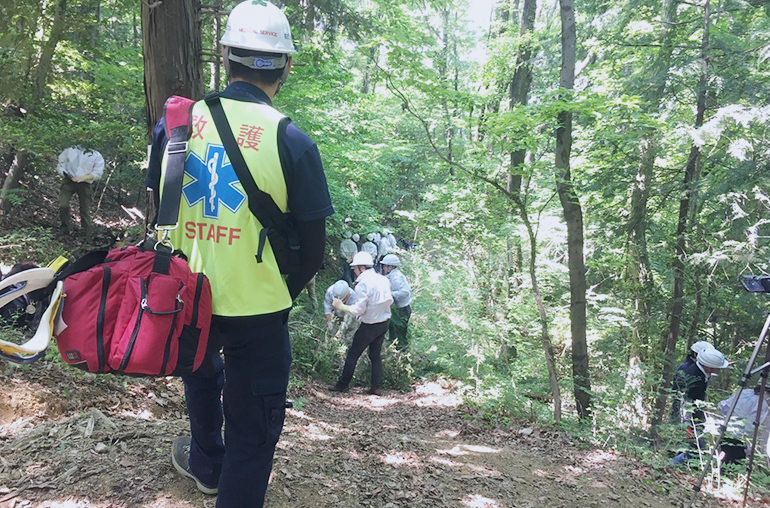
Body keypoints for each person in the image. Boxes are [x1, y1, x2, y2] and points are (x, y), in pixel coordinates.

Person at [144, 2, 333, 505]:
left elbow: (161, 206)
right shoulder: (292, 140)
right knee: (254, 430)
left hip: (187, 295)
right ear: (286, 66)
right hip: (259, 311)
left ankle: (207, 462)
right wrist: (277, 289)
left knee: (201, 378)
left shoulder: (176, 125)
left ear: (225, 55)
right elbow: (313, 251)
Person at [329, 251, 392, 395]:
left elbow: (359, 309)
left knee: (353, 354)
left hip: (370, 325)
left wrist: (341, 307)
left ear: (362, 268)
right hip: (383, 323)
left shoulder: (363, 284)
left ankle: (342, 385)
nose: (354, 272)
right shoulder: (383, 279)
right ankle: (376, 387)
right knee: (375, 355)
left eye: (355, 269)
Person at [670, 346, 729, 465]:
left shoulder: (701, 372)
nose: (719, 370)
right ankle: (671, 465)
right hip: (688, 416)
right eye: (717, 367)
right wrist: (688, 424)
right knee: (695, 448)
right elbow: (685, 401)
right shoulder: (693, 376)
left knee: (696, 447)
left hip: (694, 415)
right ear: (708, 366)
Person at [56, 146, 104, 239]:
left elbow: (98, 173)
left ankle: (86, 233)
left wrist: (83, 178)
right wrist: (66, 174)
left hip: (85, 184)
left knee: (85, 210)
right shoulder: (70, 150)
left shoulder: (96, 155)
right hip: (69, 181)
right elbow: (61, 164)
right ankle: (65, 227)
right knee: (63, 205)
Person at [380, 254, 412, 350]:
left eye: (385, 266)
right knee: (393, 328)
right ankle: (394, 348)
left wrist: (391, 294)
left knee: (400, 332)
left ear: (390, 266)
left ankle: (401, 352)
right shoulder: (392, 275)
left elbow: (405, 292)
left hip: (402, 309)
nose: (383, 268)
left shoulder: (396, 277)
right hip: (399, 308)